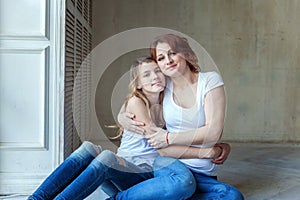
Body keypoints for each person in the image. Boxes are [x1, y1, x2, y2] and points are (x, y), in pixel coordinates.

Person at [28, 56, 224, 200]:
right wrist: (205, 152)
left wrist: (217, 147)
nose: (155, 77)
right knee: (91, 149)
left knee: (104, 156)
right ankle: (38, 198)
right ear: (138, 83)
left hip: (145, 181)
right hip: (126, 174)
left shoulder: (168, 102)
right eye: (146, 75)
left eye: (157, 71)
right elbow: (160, 145)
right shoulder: (136, 102)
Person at [117, 34, 244, 200]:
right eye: (161, 58)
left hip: (204, 171)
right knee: (182, 184)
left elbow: (213, 133)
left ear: (185, 54)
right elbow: (136, 99)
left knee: (232, 196)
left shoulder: (209, 81)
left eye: (172, 53)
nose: (168, 60)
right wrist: (121, 117)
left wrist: (169, 137)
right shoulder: (163, 87)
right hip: (170, 164)